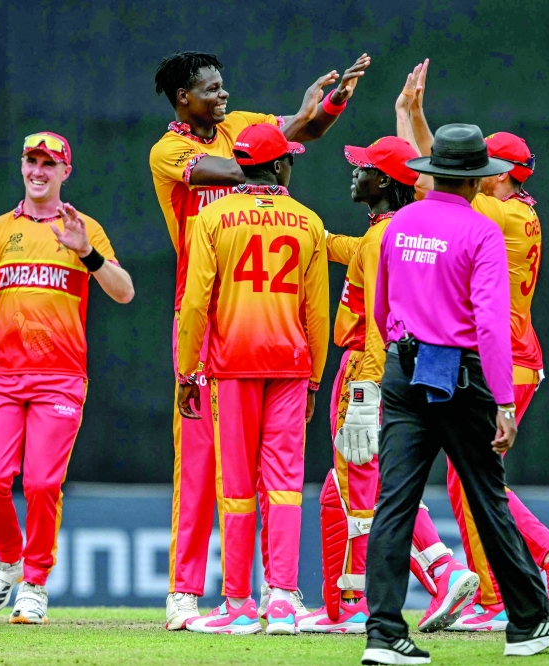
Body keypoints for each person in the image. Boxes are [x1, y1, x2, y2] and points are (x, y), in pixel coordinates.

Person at [150, 49, 369, 629]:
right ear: (183, 98)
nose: (223, 97)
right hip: (200, 317)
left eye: (224, 87)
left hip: (258, 318)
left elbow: (303, 133)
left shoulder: (241, 126)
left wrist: (327, 104)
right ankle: (184, 590)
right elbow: (242, 167)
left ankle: (273, 593)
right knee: (199, 462)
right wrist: (271, 150)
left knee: (268, 469)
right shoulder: (170, 149)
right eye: (212, 89)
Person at [360, 124, 549, 664]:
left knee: (394, 503)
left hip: (403, 368)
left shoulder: (402, 220)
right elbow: (490, 326)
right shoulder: (481, 231)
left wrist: (399, 351)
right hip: (460, 375)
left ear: (433, 173)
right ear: (479, 181)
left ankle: (384, 633)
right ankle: (528, 622)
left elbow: (381, 307)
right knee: (487, 497)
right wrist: (503, 401)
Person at [398, 61, 549, 631]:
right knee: (470, 476)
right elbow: (442, 173)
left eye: (488, 168)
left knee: (473, 479)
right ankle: (505, 587)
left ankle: (537, 562)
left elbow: (437, 180)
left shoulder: (496, 211)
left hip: (502, 359)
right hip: (520, 354)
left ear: (503, 175)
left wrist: (412, 117)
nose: (479, 173)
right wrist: (411, 116)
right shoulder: (519, 211)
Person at [0, 132, 134, 625]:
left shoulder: (82, 228)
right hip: (0, 379)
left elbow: (125, 292)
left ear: (66, 171)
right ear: (22, 166)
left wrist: (87, 253)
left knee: (44, 483)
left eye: (49, 163)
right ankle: (9, 560)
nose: (38, 170)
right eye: (31, 161)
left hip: (59, 379)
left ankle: (36, 584)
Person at [297, 137, 479, 634]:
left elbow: (380, 320)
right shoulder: (393, 230)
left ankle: (432, 572)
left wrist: (363, 392)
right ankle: (344, 601)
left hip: (366, 367)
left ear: (384, 182)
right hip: (391, 366)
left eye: (362, 168)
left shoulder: (385, 237)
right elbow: (348, 248)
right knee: (346, 491)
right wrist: (302, 225)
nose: (353, 173)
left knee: (365, 488)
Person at [176, 123, 329, 635]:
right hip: (290, 365)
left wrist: (186, 370)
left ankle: (238, 602)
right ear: (279, 165)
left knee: (236, 484)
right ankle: (282, 598)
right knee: (285, 484)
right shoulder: (308, 221)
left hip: (232, 365)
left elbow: (196, 301)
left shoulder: (213, 217)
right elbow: (317, 314)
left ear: (241, 165)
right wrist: (314, 379)